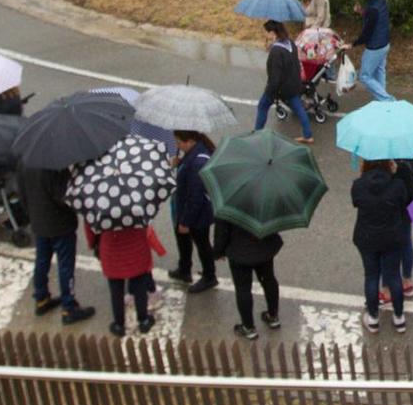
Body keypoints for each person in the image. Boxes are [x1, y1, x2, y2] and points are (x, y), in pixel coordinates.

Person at [20, 148, 95, 325]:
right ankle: (69, 307)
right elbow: (65, 198)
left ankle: (41, 297)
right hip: (60, 225)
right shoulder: (53, 167)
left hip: (39, 222)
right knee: (65, 265)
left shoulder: (24, 161)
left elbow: (22, 192)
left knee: (42, 260)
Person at [351, 158, 413, 333]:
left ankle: (373, 318)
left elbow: (356, 202)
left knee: (371, 275)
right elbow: (403, 202)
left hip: (367, 237)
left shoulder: (358, 185)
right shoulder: (397, 185)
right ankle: (399, 318)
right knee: (394, 276)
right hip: (392, 237)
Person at [215, 215, 283, 341]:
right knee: (268, 280)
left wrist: (219, 251)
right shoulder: (266, 195)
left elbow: (222, 229)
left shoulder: (229, 201)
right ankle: (273, 317)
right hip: (264, 246)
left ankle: (248, 327)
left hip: (239, 252)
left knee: (243, 289)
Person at [167, 130, 219, 293]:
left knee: (202, 244)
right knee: (183, 240)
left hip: (196, 214)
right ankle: (184, 269)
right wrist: (178, 163)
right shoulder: (191, 155)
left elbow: (195, 198)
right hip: (185, 208)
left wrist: (185, 221)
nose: (177, 145)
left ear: (190, 141)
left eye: (179, 142)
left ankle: (209, 277)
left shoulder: (198, 162)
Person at [90, 219, 160, 338]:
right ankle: (144, 321)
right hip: (136, 247)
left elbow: (90, 228)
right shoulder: (136, 202)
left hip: (110, 250)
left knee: (116, 290)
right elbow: (146, 222)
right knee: (140, 287)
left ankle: (119, 324)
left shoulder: (99, 203)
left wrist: (94, 244)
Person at [254, 20, 314, 145]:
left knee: (262, 106)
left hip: (282, 88)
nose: (264, 36)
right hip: (294, 84)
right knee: (298, 108)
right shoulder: (290, 43)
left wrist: (270, 92)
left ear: (272, 33)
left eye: (265, 32)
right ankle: (308, 135)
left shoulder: (276, 52)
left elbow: (275, 77)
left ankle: (257, 135)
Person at [351, 0, 392, 101]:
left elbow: (366, 34)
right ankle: (382, 103)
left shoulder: (372, 9)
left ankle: (387, 100)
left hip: (375, 47)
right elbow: (375, 18)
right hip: (385, 44)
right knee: (380, 72)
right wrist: (361, 11)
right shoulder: (381, 0)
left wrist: (352, 44)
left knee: (364, 76)